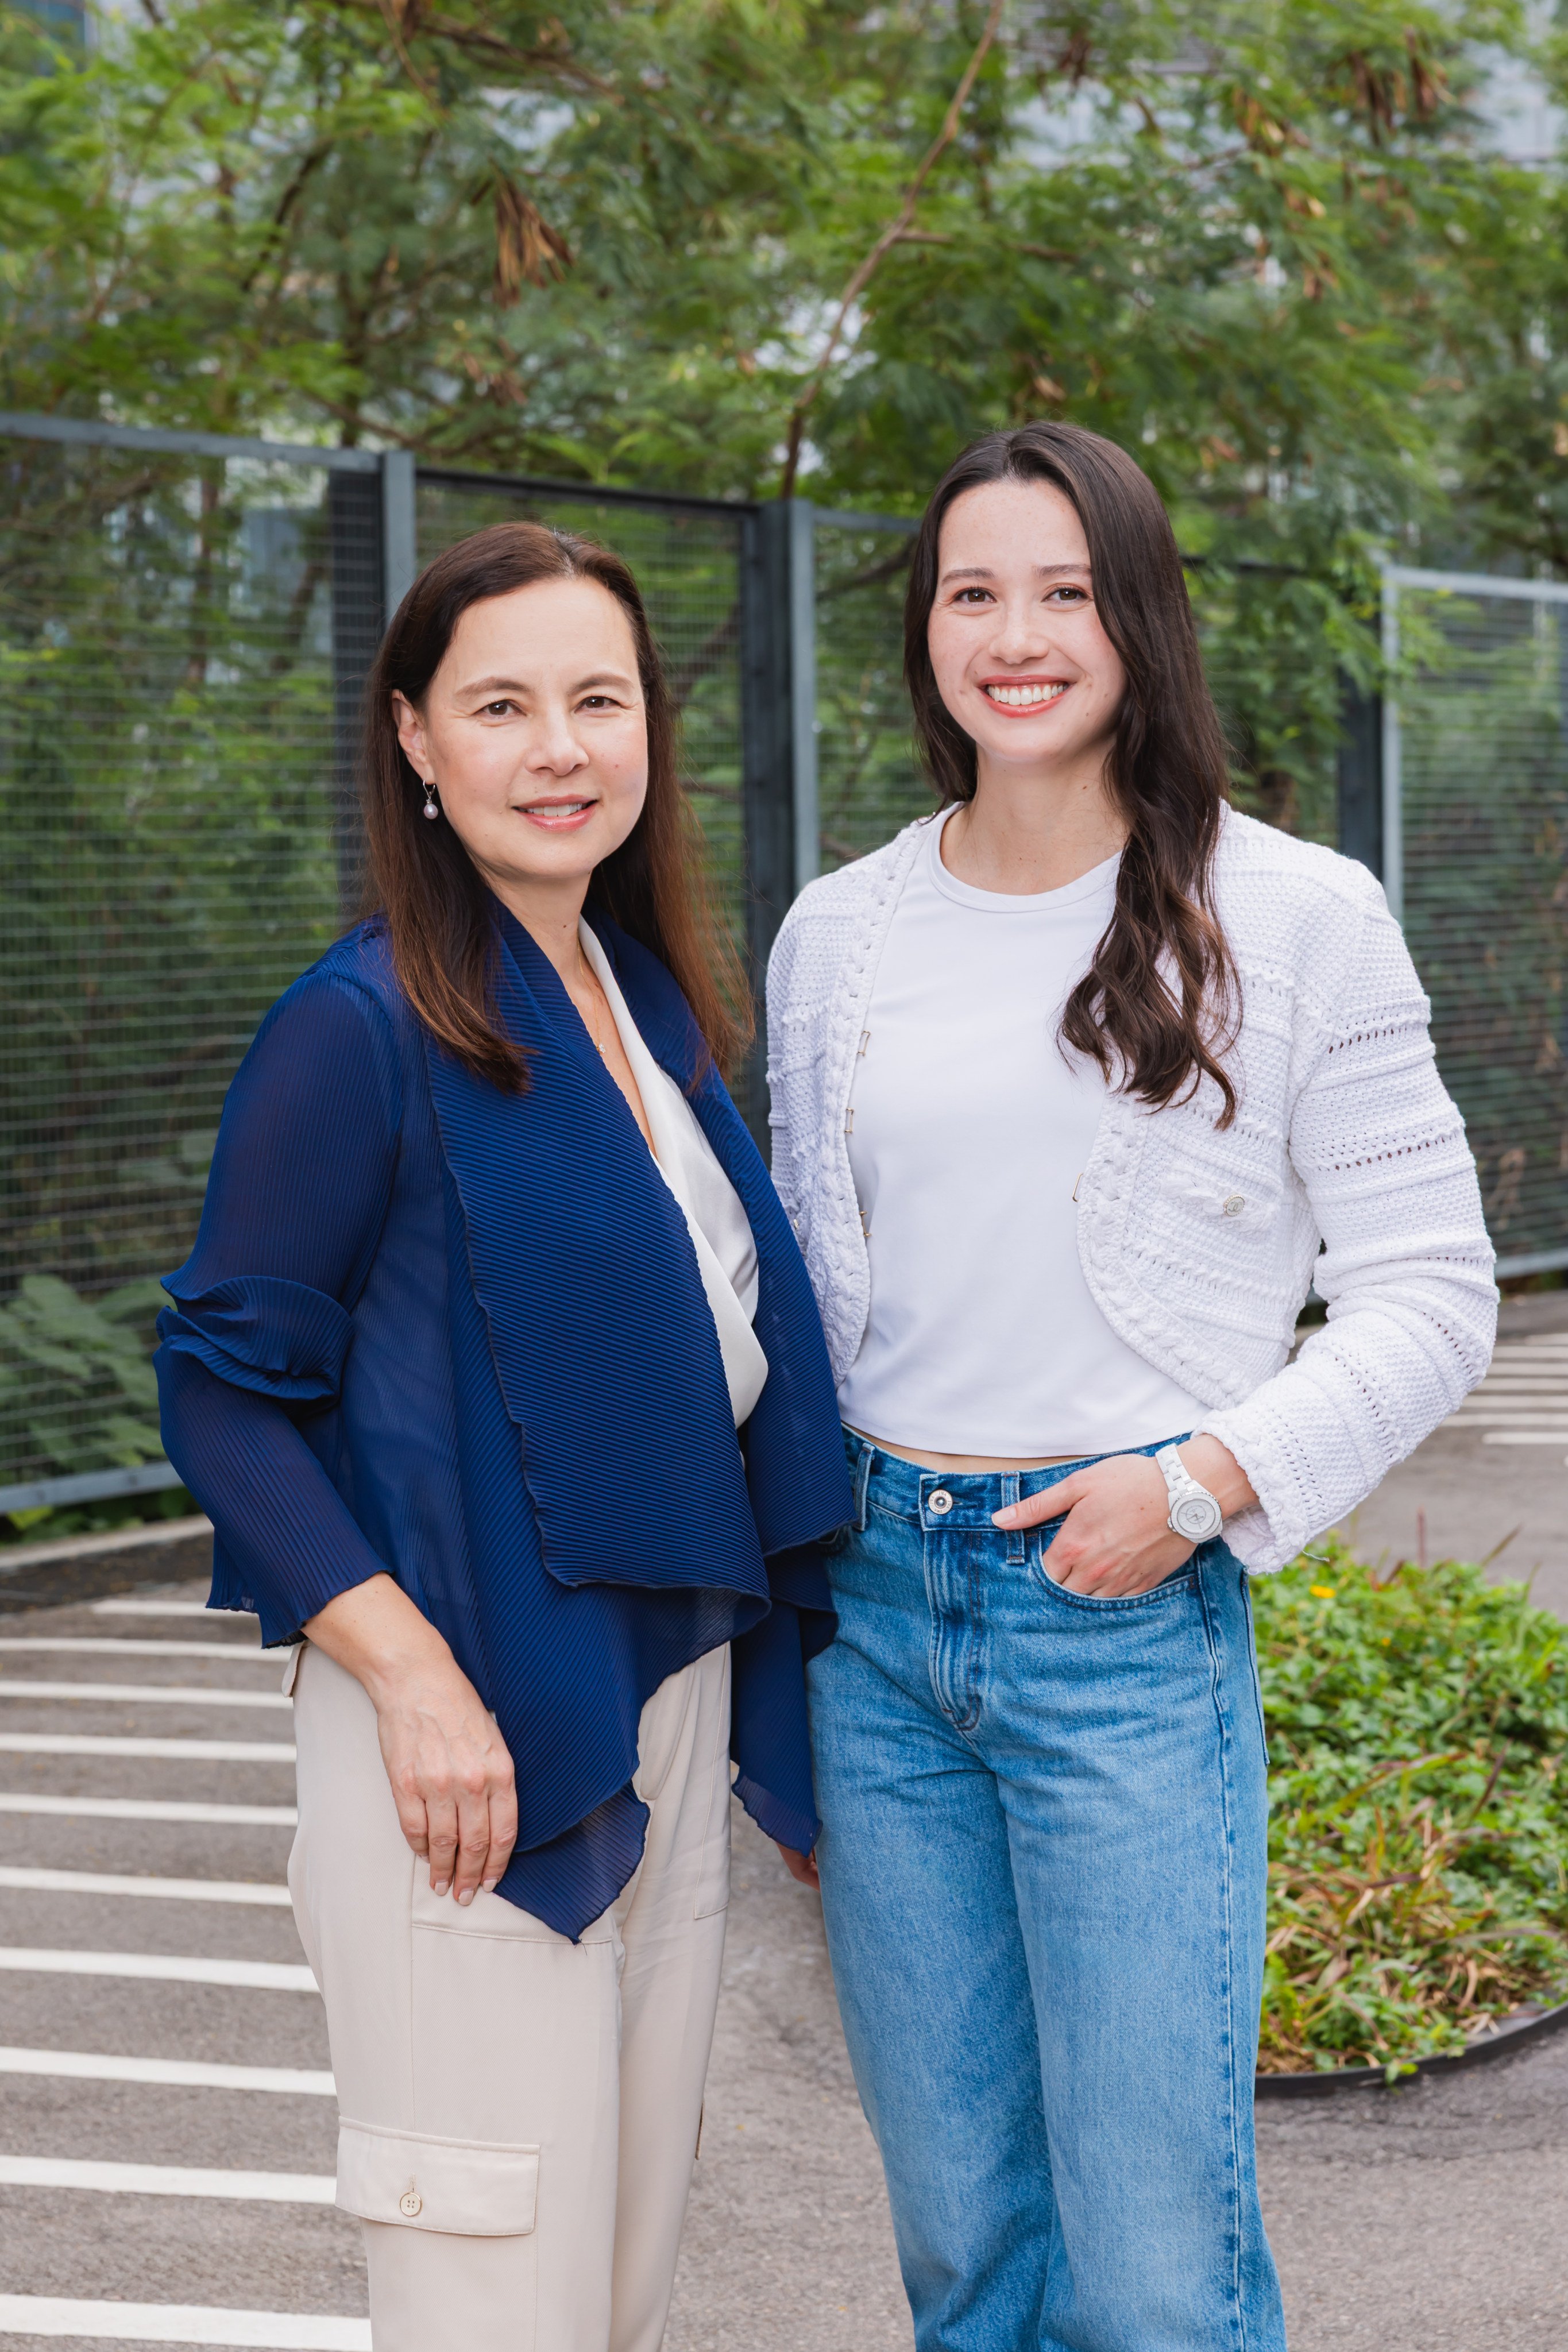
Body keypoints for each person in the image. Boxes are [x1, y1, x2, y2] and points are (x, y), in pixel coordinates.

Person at [766, 421, 1496, 2352]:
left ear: (1139, 618)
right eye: (969, 591)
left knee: (1159, 2268)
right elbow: (794, 1299)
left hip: (1120, 1607)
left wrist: (1193, 1484)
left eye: (1064, 590)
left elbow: (1432, 1294)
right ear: (923, 629)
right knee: (966, 2246)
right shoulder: (836, 932)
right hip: (874, 1613)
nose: (1014, 633)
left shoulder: (1298, 914)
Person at [155, 520, 852, 2352]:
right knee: (489, 2286)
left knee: (611, 2281)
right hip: (455, 1730)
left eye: (599, 700)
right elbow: (224, 1390)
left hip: (668, 1690)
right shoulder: (358, 1025)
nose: (560, 748)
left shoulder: (645, 1008)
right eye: (503, 705)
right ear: (415, 740)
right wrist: (409, 1677)